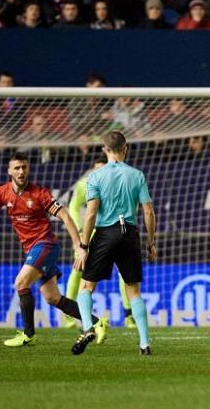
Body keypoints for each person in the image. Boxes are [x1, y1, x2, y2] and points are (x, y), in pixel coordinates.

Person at [0, 152, 107, 347]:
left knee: (21, 282)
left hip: (45, 245)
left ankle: (29, 334)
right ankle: (97, 322)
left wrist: (78, 246)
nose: (21, 172)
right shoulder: (1, 193)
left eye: (24, 167)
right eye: (17, 168)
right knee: (53, 298)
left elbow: (65, 216)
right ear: (9, 171)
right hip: (32, 249)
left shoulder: (39, 193)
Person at [72, 131, 156, 356]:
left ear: (104, 149)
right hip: (130, 233)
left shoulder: (95, 177)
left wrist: (83, 246)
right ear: (125, 148)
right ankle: (144, 344)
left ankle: (88, 327)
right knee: (134, 291)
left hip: (105, 233)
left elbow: (90, 214)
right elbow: (148, 210)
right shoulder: (137, 175)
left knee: (86, 286)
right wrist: (151, 243)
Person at [64, 157, 137, 328]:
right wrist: (81, 230)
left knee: (124, 272)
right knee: (79, 269)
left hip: (111, 233)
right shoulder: (84, 184)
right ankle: (68, 312)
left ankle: (129, 315)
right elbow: (73, 207)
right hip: (89, 233)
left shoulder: (116, 186)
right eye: (96, 169)